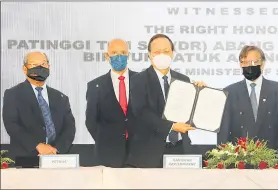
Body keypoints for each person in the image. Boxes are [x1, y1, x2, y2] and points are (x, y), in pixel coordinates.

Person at [128, 34, 205, 168]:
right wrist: (172, 126)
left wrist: (200, 93)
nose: (162, 55)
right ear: (149, 55)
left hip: (181, 150)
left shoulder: (184, 80)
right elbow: (142, 113)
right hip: (149, 153)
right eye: (157, 52)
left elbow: (190, 112)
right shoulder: (138, 80)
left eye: (166, 51)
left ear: (172, 54)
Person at [217, 45, 278, 168]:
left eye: (253, 62)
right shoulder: (229, 92)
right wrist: (222, 160)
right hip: (238, 161)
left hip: (271, 160)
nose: (249, 66)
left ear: (262, 64)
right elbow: (224, 129)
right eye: (245, 62)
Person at [3, 51, 76, 159]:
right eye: (34, 64)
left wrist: (56, 149)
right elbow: (12, 125)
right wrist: (37, 146)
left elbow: (69, 127)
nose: (39, 68)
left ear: (49, 67)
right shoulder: (13, 94)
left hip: (56, 158)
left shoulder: (60, 97)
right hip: (25, 159)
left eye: (43, 64)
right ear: (25, 68)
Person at [85, 39, 137, 168]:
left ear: (128, 55)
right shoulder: (95, 86)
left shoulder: (142, 81)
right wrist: (105, 141)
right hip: (107, 154)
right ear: (107, 56)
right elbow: (91, 121)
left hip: (138, 152)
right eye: (114, 52)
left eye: (123, 52)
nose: (119, 56)